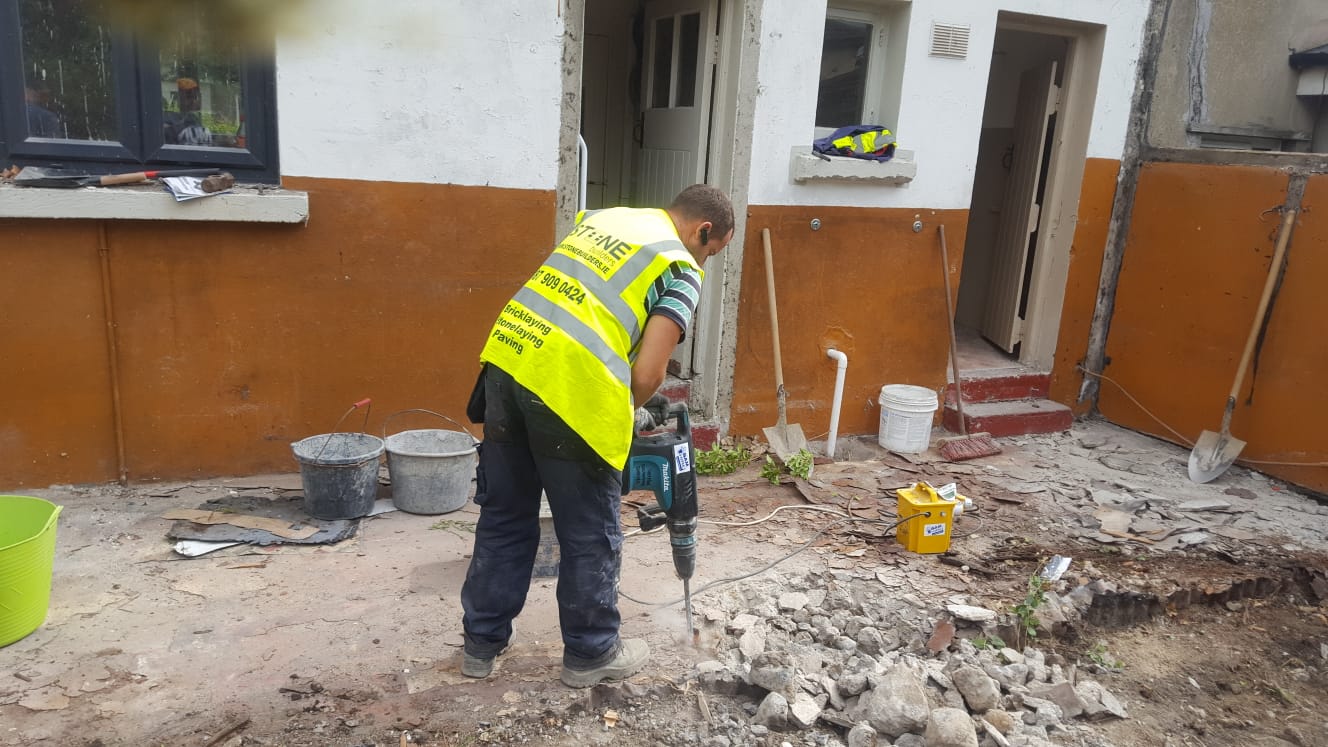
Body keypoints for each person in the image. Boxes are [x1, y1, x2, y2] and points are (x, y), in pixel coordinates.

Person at [460, 184, 736, 688]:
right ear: (704, 231)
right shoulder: (680, 265)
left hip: (507, 364)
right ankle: (591, 652)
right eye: (712, 252)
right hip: (569, 389)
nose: (706, 262)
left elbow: (587, 310)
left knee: (504, 518)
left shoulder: (608, 219)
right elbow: (649, 372)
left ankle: (481, 645)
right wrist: (626, 409)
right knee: (590, 532)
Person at [163, 77, 213, 146]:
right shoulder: (166, 117)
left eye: (195, 97)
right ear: (178, 98)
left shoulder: (193, 118)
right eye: (188, 96)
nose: (193, 101)